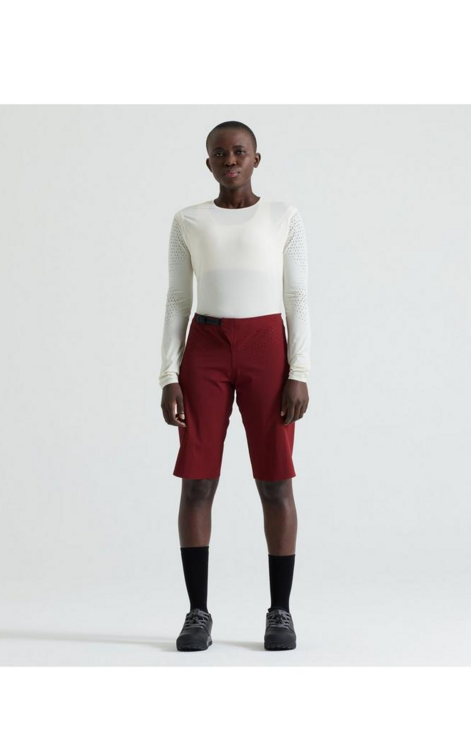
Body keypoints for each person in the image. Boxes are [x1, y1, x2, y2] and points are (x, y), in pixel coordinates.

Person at [159, 121, 311, 652]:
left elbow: (298, 297)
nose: (230, 160)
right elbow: (178, 299)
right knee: (197, 481)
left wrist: (299, 371)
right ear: (208, 163)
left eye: (239, 152)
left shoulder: (283, 217)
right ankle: (197, 612)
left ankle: (280, 611)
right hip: (206, 346)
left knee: (275, 481)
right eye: (220, 153)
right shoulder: (189, 220)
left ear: (256, 159)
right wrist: (169, 374)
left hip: (267, 345)